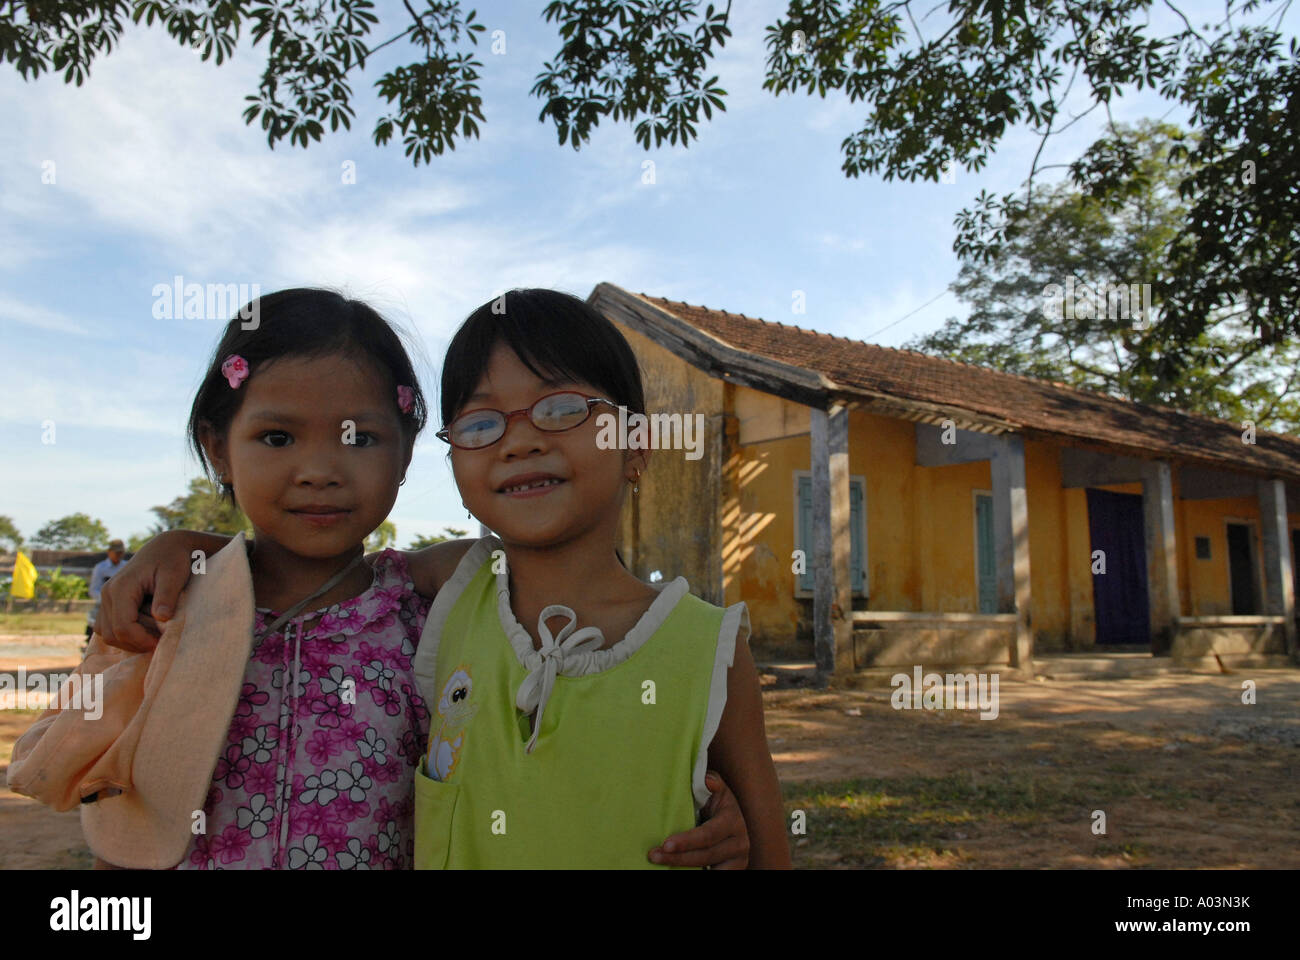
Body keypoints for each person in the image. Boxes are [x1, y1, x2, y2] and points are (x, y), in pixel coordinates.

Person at [87, 289, 752, 869]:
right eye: (278, 438)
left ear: (407, 452)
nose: (319, 469)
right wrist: (188, 548)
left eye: (360, 439)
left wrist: (707, 807)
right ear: (217, 449)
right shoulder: (174, 611)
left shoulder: (429, 598)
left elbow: (564, 576)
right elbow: (118, 805)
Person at [410, 288, 791, 868]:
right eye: (481, 423)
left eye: (562, 409)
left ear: (635, 445)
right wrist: (219, 552)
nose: (520, 440)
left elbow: (767, 852)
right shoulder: (451, 582)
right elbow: (287, 567)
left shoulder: (708, 650)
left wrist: (732, 829)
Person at [85, 539, 127, 645]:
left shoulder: (127, 566)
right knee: (95, 628)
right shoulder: (100, 568)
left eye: (121, 552)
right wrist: (107, 599)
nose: (119, 555)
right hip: (103, 606)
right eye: (116, 552)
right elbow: (93, 590)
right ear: (109, 552)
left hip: (124, 606)